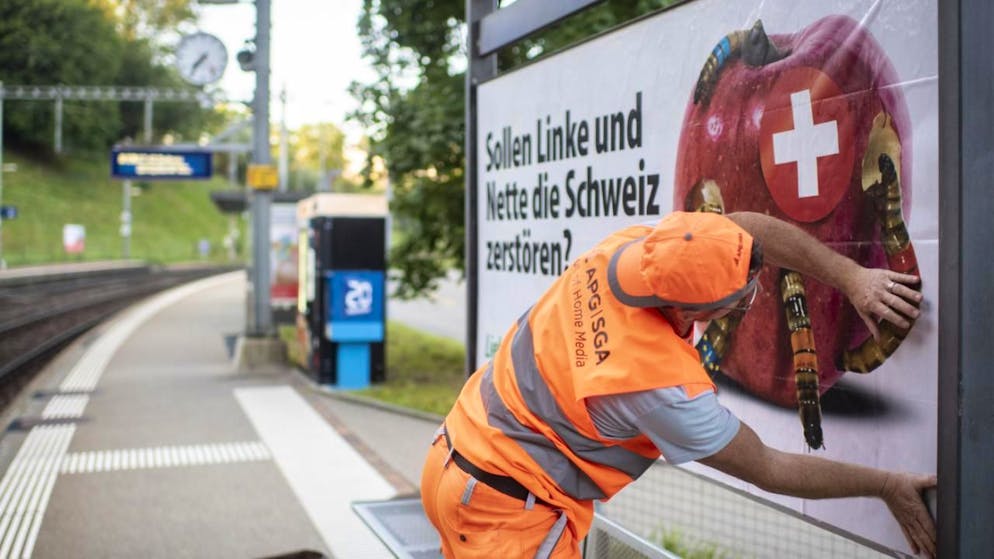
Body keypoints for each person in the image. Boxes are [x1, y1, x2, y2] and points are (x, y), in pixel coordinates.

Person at [421, 211, 936, 559]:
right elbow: (769, 467)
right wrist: (887, 485)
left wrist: (851, 277)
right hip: (506, 513)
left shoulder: (641, 249)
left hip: (453, 458)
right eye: (741, 299)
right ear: (693, 310)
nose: (750, 294)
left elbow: (744, 232)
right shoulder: (655, 384)